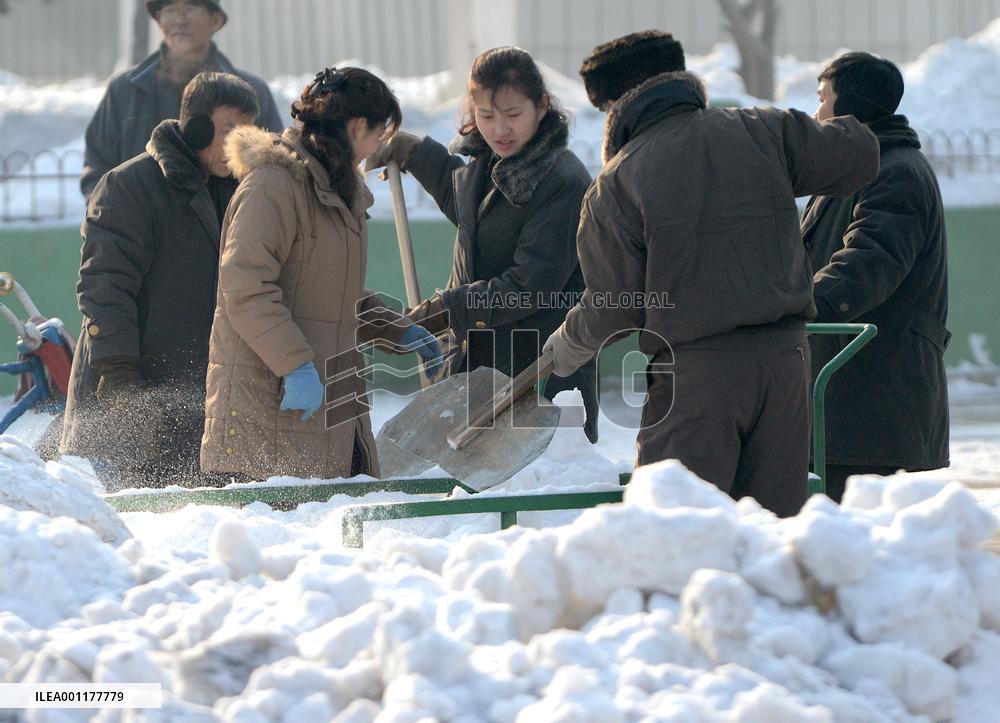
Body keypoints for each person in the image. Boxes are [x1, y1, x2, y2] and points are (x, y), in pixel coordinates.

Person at [543, 31, 881, 517]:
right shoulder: (762, 130)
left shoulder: (617, 184)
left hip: (696, 379)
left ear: (616, 104)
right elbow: (858, 154)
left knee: (681, 527)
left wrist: (566, 345)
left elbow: (613, 307)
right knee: (770, 530)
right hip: (785, 366)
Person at [200, 67, 442, 481]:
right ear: (358, 126)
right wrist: (295, 365)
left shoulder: (337, 191)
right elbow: (245, 289)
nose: (376, 149)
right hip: (268, 412)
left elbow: (331, 291)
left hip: (331, 411)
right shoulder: (273, 186)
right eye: (377, 136)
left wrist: (395, 330)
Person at [365, 46, 600, 442]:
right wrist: (417, 153)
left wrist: (448, 309)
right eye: (486, 116)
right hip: (477, 366)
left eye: (513, 115)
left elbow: (530, 287)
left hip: (536, 371)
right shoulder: (489, 164)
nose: (499, 129)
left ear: (541, 107)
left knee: (535, 478)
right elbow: (475, 216)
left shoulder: (561, 181)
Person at [61, 71, 261, 489]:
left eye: (248, 131)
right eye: (229, 129)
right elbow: (105, 288)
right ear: (196, 127)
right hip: (133, 393)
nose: (239, 142)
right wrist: (120, 379)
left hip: (203, 401)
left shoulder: (241, 192)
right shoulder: (128, 186)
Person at [803, 52, 950, 502]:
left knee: (859, 530)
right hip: (853, 401)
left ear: (850, 108)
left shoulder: (895, 172)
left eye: (823, 98)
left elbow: (869, 262)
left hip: (874, 402)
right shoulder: (859, 170)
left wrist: (795, 307)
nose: (817, 113)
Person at [81, 0, 283, 199]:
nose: (179, 20)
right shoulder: (125, 91)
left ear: (215, 20)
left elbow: (274, 171)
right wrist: (116, 213)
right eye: (169, 10)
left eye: (190, 8)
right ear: (159, 21)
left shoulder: (252, 95)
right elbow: (97, 173)